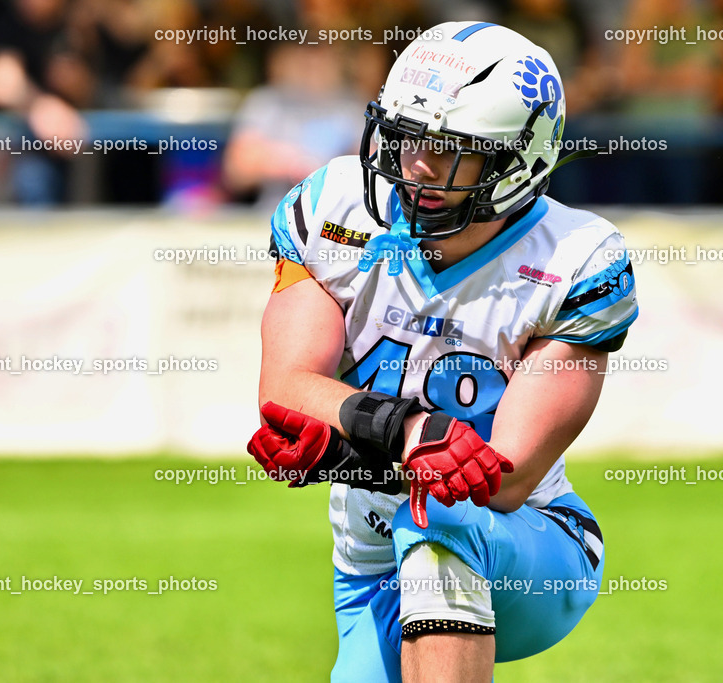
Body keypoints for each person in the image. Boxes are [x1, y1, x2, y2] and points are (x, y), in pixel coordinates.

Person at [247, 21, 638, 683]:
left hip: (528, 544)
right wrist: (401, 431)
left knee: (439, 520)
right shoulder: (335, 209)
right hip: (371, 566)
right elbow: (285, 386)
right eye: (405, 137)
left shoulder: (577, 260)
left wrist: (353, 446)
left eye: (448, 148)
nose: (415, 165)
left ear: (517, 160)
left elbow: (503, 481)